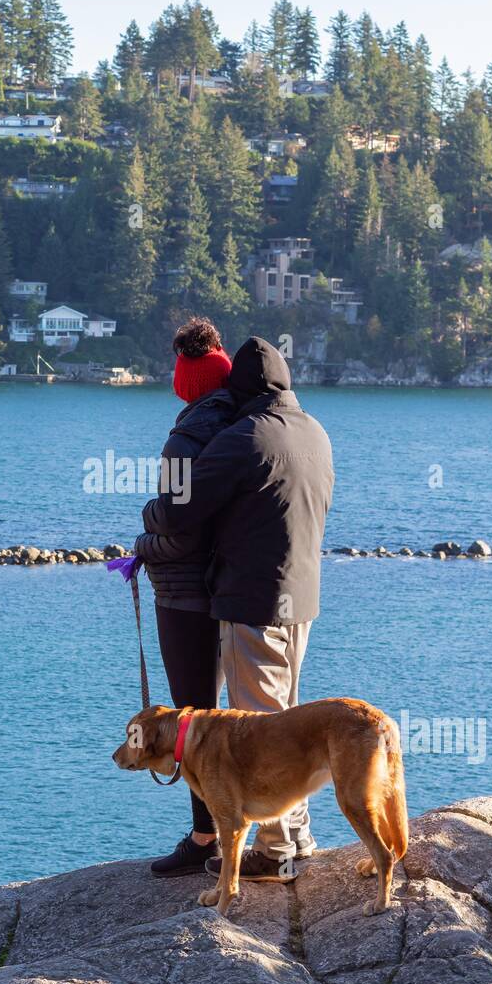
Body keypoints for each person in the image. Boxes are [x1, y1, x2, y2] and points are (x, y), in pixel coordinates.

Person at [142, 335, 334, 882]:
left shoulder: (246, 436)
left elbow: (178, 512)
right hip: (304, 597)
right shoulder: (315, 432)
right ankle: (297, 836)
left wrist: (145, 521)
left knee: (263, 729)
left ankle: (274, 854)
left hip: (254, 598)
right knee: (290, 720)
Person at [133, 317, 236, 877]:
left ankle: (205, 838)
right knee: (234, 716)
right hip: (235, 591)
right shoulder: (247, 423)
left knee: (191, 721)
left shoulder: (184, 439)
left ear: (184, 383)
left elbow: (178, 529)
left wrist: (143, 542)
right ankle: (241, 831)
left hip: (184, 597)